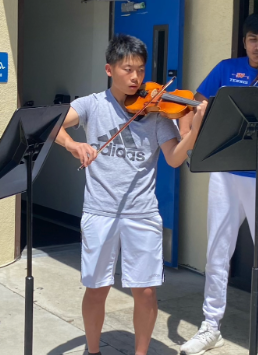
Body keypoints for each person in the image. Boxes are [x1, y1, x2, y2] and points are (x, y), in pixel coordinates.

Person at [55, 34, 207, 355]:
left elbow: (175, 158)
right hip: (100, 211)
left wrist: (192, 130)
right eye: (127, 69)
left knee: (147, 291)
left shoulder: (155, 112)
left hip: (143, 214)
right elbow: (52, 125)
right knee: (97, 289)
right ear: (110, 69)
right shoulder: (92, 105)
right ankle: (93, 350)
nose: (136, 78)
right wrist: (74, 144)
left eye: (140, 69)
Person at [178, 11, 258, 355]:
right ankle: (211, 326)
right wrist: (192, 132)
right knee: (217, 250)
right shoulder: (226, 69)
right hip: (225, 171)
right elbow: (198, 103)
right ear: (244, 41)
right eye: (253, 40)